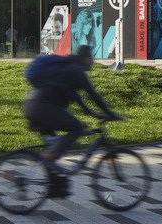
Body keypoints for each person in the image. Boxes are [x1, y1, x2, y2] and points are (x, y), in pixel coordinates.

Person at [22, 45, 121, 196]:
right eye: (91, 58)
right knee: (76, 128)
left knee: (53, 146)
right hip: (42, 108)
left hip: (32, 106)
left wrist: (96, 114)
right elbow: (93, 95)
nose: (92, 62)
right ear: (85, 58)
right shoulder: (76, 72)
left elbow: (79, 101)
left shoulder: (67, 71)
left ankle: (54, 186)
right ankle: (49, 159)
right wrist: (110, 113)